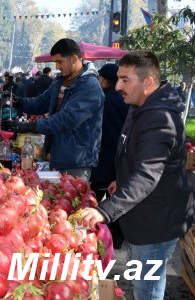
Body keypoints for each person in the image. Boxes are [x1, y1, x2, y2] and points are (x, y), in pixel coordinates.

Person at [80, 51, 195, 300]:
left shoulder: (159, 118)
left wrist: (105, 210)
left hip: (156, 223)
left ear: (148, 83)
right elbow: (139, 155)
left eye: (125, 80)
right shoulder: (140, 105)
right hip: (145, 216)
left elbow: (147, 175)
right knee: (143, 283)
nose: (118, 85)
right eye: (119, 79)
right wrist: (120, 179)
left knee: (147, 290)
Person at [9, 38, 104, 181]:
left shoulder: (90, 86)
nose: (57, 66)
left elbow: (66, 119)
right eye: (55, 63)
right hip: (56, 154)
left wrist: (31, 126)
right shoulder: (60, 81)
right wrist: (18, 102)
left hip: (76, 161)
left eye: (60, 62)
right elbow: (41, 102)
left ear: (73, 59)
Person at [89, 63, 129, 249]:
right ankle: (118, 235)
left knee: (94, 197)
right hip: (120, 156)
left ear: (104, 81)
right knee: (116, 195)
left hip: (102, 154)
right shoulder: (126, 101)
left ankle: (94, 234)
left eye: (99, 78)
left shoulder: (101, 100)